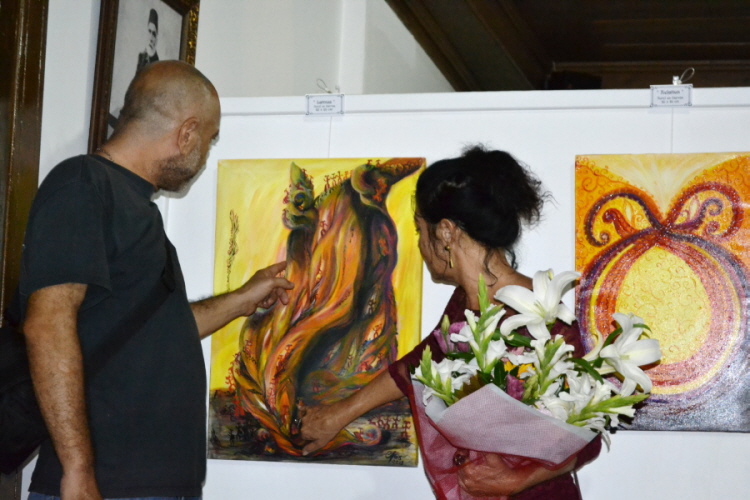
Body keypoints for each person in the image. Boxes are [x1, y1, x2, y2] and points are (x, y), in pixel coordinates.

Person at [20, 60, 294, 500]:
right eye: (209, 140)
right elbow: (47, 325)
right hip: (110, 486)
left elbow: (162, 333)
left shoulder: (138, 208)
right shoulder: (83, 184)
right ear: (186, 133)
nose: (204, 155)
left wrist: (244, 298)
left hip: (154, 485)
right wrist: (77, 470)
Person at [299, 146, 601, 499]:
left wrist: (513, 480)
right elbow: (417, 367)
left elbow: (590, 432)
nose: (419, 245)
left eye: (419, 230)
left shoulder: (539, 310)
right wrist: (338, 414)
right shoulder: (462, 303)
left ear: (445, 232)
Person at [137, 8, 160, 73]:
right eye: (149, 31)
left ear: (156, 39)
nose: (151, 37)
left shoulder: (156, 61)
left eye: (154, 33)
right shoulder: (141, 56)